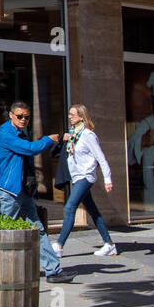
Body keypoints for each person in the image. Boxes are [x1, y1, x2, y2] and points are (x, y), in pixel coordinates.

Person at [0, 100, 71, 283]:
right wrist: (48, 139)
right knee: (4, 232)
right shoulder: (6, 133)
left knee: (38, 230)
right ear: (11, 115)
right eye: (19, 116)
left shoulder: (21, 132)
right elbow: (30, 149)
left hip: (23, 190)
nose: (23, 120)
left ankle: (53, 271)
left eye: (26, 117)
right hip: (10, 191)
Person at [53, 104, 118, 258]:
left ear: (81, 116)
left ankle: (59, 245)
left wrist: (107, 179)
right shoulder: (73, 134)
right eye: (69, 114)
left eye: (73, 114)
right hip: (77, 177)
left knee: (70, 207)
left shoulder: (88, 135)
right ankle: (109, 244)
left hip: (85, 177)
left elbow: (101, 158)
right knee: (93, 211)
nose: (70, 117)